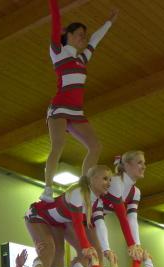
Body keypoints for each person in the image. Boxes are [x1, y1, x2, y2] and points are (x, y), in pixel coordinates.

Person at [42, 0, 117, 202]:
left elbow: (95, 39)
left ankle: (85, 187)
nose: (83, 38)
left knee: (96, 146)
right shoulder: (58, 52)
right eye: (79, 34)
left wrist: (109, 22)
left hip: (76, 111)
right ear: (67, 34)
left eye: (84, 35)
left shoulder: (82, 59)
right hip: (59, 108)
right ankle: (47, 188)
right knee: (58, 145)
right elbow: (56, 21)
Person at [26, 164, 112, 267]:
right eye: (105, 179)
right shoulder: (78, 193)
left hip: (58, 222)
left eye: (110, 180)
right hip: (38, 214)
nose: (109, 183)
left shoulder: (97, 202)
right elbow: (77, 223)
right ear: (93, 179)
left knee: (62, 254)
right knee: (48, 250)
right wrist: (86, 246)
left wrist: (106, 249)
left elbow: (101, 225)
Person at [94, 150, 146, 260]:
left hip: (91, 219)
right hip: (80, 214)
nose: (144, 167)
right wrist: (131, 244)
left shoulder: (135, 192)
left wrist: (137, 245)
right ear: (127, 165)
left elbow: (132, 218)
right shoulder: (116, 182)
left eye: (144, 163)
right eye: (140, 163)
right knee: (96, 254)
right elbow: (122, 217)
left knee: (97, 256)